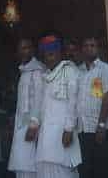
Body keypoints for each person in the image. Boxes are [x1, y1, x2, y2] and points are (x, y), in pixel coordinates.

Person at [36, 34, 81, 177]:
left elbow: (73, 102)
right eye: (45, 55)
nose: (48, 58)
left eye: (51, 54)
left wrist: (68, 129)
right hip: (46, 138)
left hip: (63, 135)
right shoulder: (45, 76)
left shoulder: (69, 71)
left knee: (63, 171)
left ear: (59, 53)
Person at [76, 37, 108, 178]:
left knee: (102, 171)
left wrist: (101, 125)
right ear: (82, 49)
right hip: (82, 131)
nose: (89, 48)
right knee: (84, 172)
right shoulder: (78, 72)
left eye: (92, 45)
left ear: (97, 48)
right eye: (86, 45)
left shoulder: (105, 69)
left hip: (100, 131)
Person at [8, 38, 46, 178]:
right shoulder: (24, 71)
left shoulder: (37, 70)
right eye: (22, 48)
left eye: (28, 47)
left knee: (29, 166)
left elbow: (39, 99)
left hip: (31, 126)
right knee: (22, 166)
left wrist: (34, 124)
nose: (25, 51)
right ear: (17, 52)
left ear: (33, 50)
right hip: (21, 125)